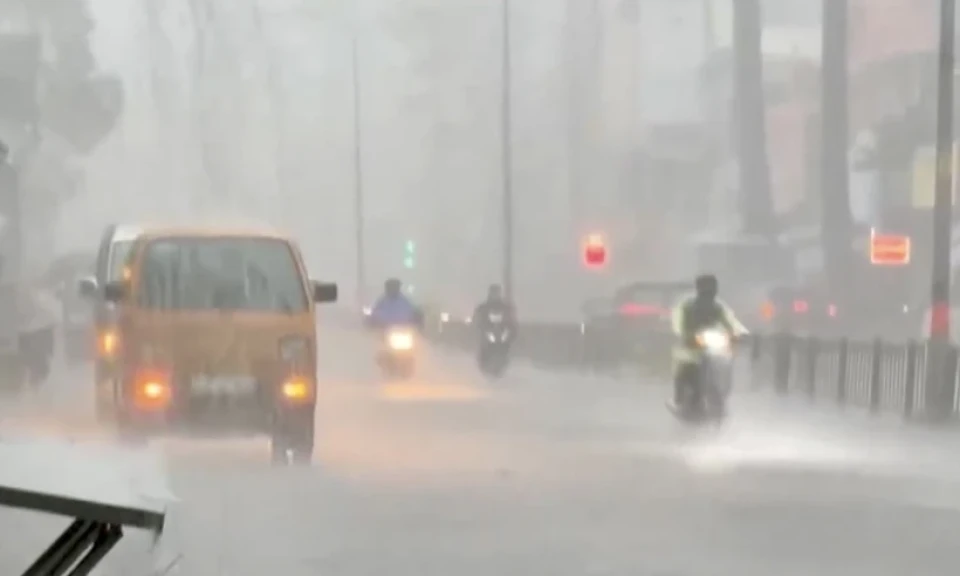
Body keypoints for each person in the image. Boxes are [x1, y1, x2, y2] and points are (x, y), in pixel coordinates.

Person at [669, 274, 748, 411]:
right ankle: (679, 398)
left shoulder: (718, 307)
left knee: (725, 362)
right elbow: (679, 325)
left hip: (713, 349)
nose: (709, 291)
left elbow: (731, 323)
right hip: (691, 347)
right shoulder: (688, 306)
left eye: (711, 287)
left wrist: (740, 334)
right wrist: (686, 335)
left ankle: (721, 394)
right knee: (683, 365)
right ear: (698, 288)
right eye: (706, 287)